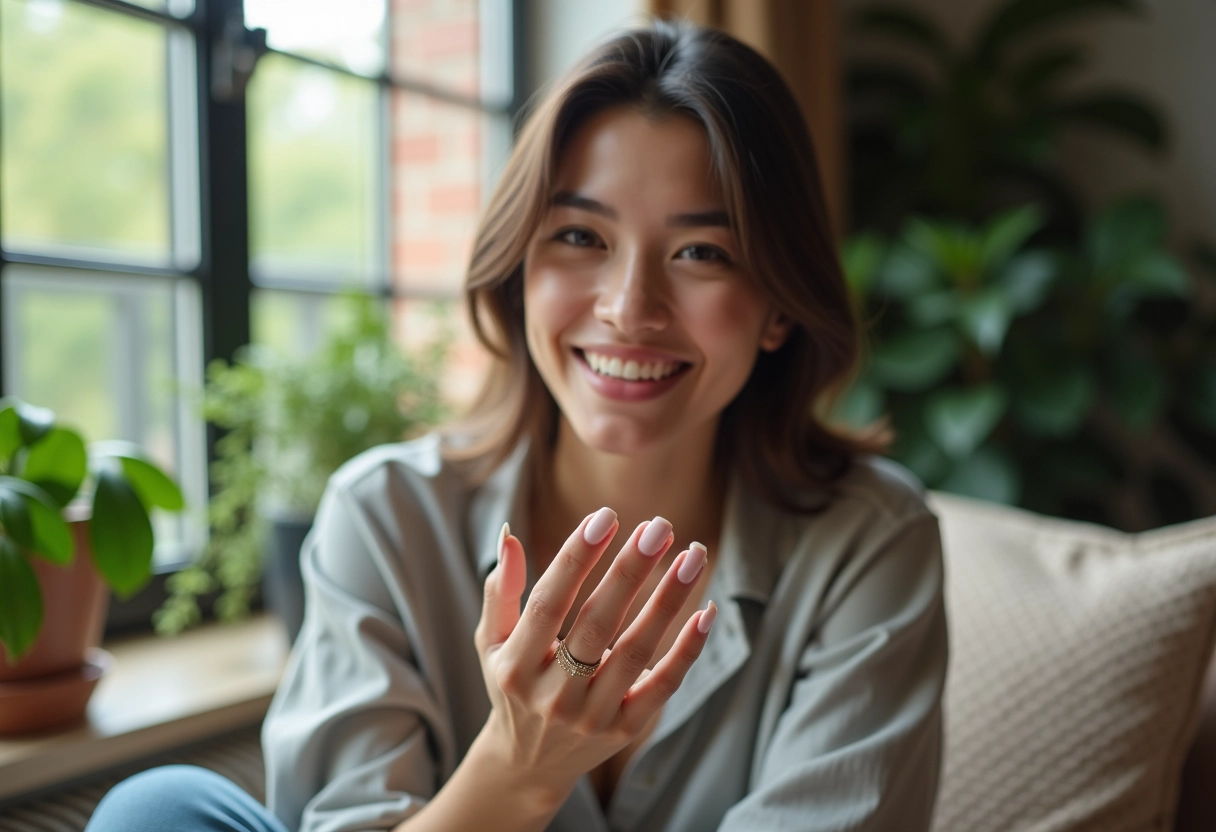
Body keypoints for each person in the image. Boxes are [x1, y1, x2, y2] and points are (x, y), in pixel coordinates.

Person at [86, 18, 947, 832]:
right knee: (160, 811)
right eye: (579, 235)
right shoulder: (385, 514)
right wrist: (519, 766)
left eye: (701, 252)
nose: (628, 308)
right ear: (519, 273)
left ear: (778, 309)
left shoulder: (869, 541)